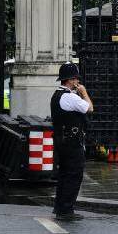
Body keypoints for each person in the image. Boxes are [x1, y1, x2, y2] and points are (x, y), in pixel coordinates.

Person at [49, 62, 93, 221]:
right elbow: (89, 108)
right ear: (70, 80)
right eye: (75, 79)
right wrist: (84, 92)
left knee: (65, 174)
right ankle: (66, 209)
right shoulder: (70, 97)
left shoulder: (56, 95)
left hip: (62, 141)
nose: (77, 82)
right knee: (74, 175)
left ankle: (60, 207)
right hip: (72, 142)